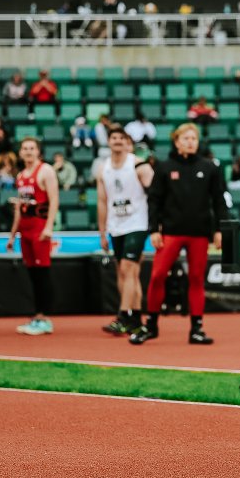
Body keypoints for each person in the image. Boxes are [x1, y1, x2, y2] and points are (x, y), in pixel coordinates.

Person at [132, 123, 229, 346]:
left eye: (193, 138)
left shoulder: (210, 168)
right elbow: (154, 200)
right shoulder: (164, 167)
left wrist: (219, 230)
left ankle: (196, 329)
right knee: (157, 276)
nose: (190, 142)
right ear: (176, 142)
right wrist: (154, 229)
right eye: (185, 138)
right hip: (170, 232)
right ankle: (151, 325)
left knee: (196, 279)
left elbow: (219, 201)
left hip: (199, 233)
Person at [97, 126, 155, 336]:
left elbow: (156, 195)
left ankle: (123, 316)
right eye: (114, 137)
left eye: (122, 138)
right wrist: (102, 231)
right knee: (125, 273)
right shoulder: (104, 169)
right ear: (109, 141)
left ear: (128, 142)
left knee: (128, 268)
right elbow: (102, 201)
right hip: (116, 225)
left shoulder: (139, 166)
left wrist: (157, 224)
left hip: (137, 224)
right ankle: (136, 318)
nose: (118, 141)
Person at [7, 137, 59, 336]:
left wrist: (49, 227)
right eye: (25, 148)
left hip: (39, 228)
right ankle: (37, 316)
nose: (28, 151)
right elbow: (20, 208)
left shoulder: (45, 171)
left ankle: (44, 318)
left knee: (42, 273)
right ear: (20, 153)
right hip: (25, 230)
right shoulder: (20, 176)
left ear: (38, 151)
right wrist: (13, 235)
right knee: (32, 273)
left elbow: (54, 200)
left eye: (32, 148)